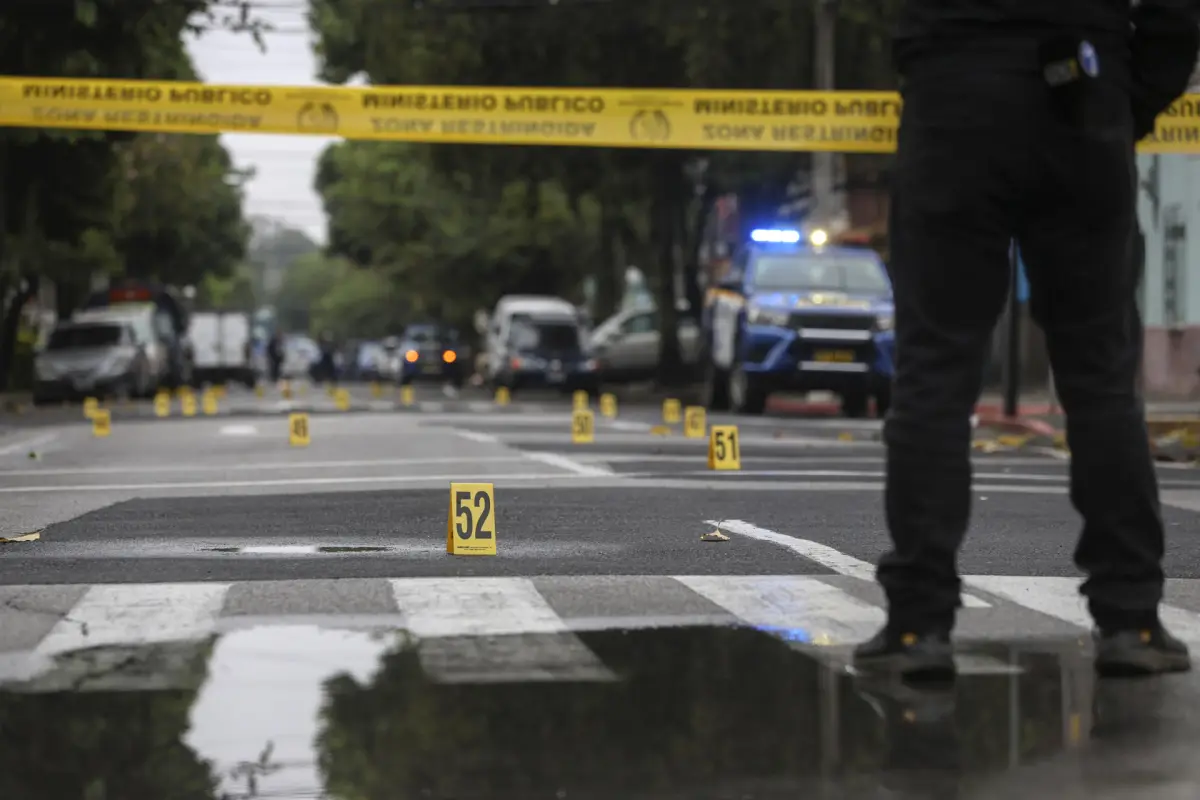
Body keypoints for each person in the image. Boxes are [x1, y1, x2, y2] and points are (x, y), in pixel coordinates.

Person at [854, 0, 1200, 679]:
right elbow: (1175, 14)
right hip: (1083, 80)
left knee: (936, 367)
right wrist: (1125, 104)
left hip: (953, 88)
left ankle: (918, 627)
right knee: (1100, 373)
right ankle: (1129, 617)